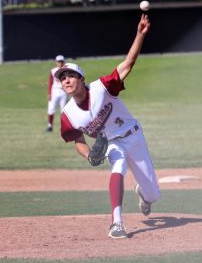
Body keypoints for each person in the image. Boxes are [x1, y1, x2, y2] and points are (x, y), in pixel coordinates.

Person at [55, 14, 160, 239]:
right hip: (112, 142)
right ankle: (117, 223)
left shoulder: (102, 88)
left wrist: (140, 35)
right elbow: (78, 141)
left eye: (71, 75)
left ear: (82, 79)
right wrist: (90, 156)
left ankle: (144, 193)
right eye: (62, 78)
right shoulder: (68, 116)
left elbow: (127, 65)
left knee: (153, 193)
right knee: (118, 165)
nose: (66, 80)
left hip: (133, 135)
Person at [46, 55, 67, 132]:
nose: (60, 63)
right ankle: (49, 126)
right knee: (51, 109)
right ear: (56, 62)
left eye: (61, 61)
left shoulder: (66, 70)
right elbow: (50, 82)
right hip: (54, 91)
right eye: (58, 61)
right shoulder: (53, 70)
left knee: (64, 110)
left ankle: (64, 127)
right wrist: (49, 93)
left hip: (63, 92)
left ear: (63, 62)